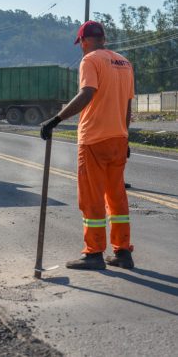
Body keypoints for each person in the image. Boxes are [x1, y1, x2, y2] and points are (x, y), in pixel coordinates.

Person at [41, 21, 135, 270]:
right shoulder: (124, 62)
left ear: (84, 41)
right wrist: (125, 136)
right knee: (117, 198)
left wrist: (56, 119)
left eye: (80, 44)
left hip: (94, 140)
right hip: (118, 139)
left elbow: (87, 93)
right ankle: (123, 252)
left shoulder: (90, 60)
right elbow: (127, 106)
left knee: (91, 198)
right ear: (103, 38)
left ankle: (94, 253)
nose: (81, 48)